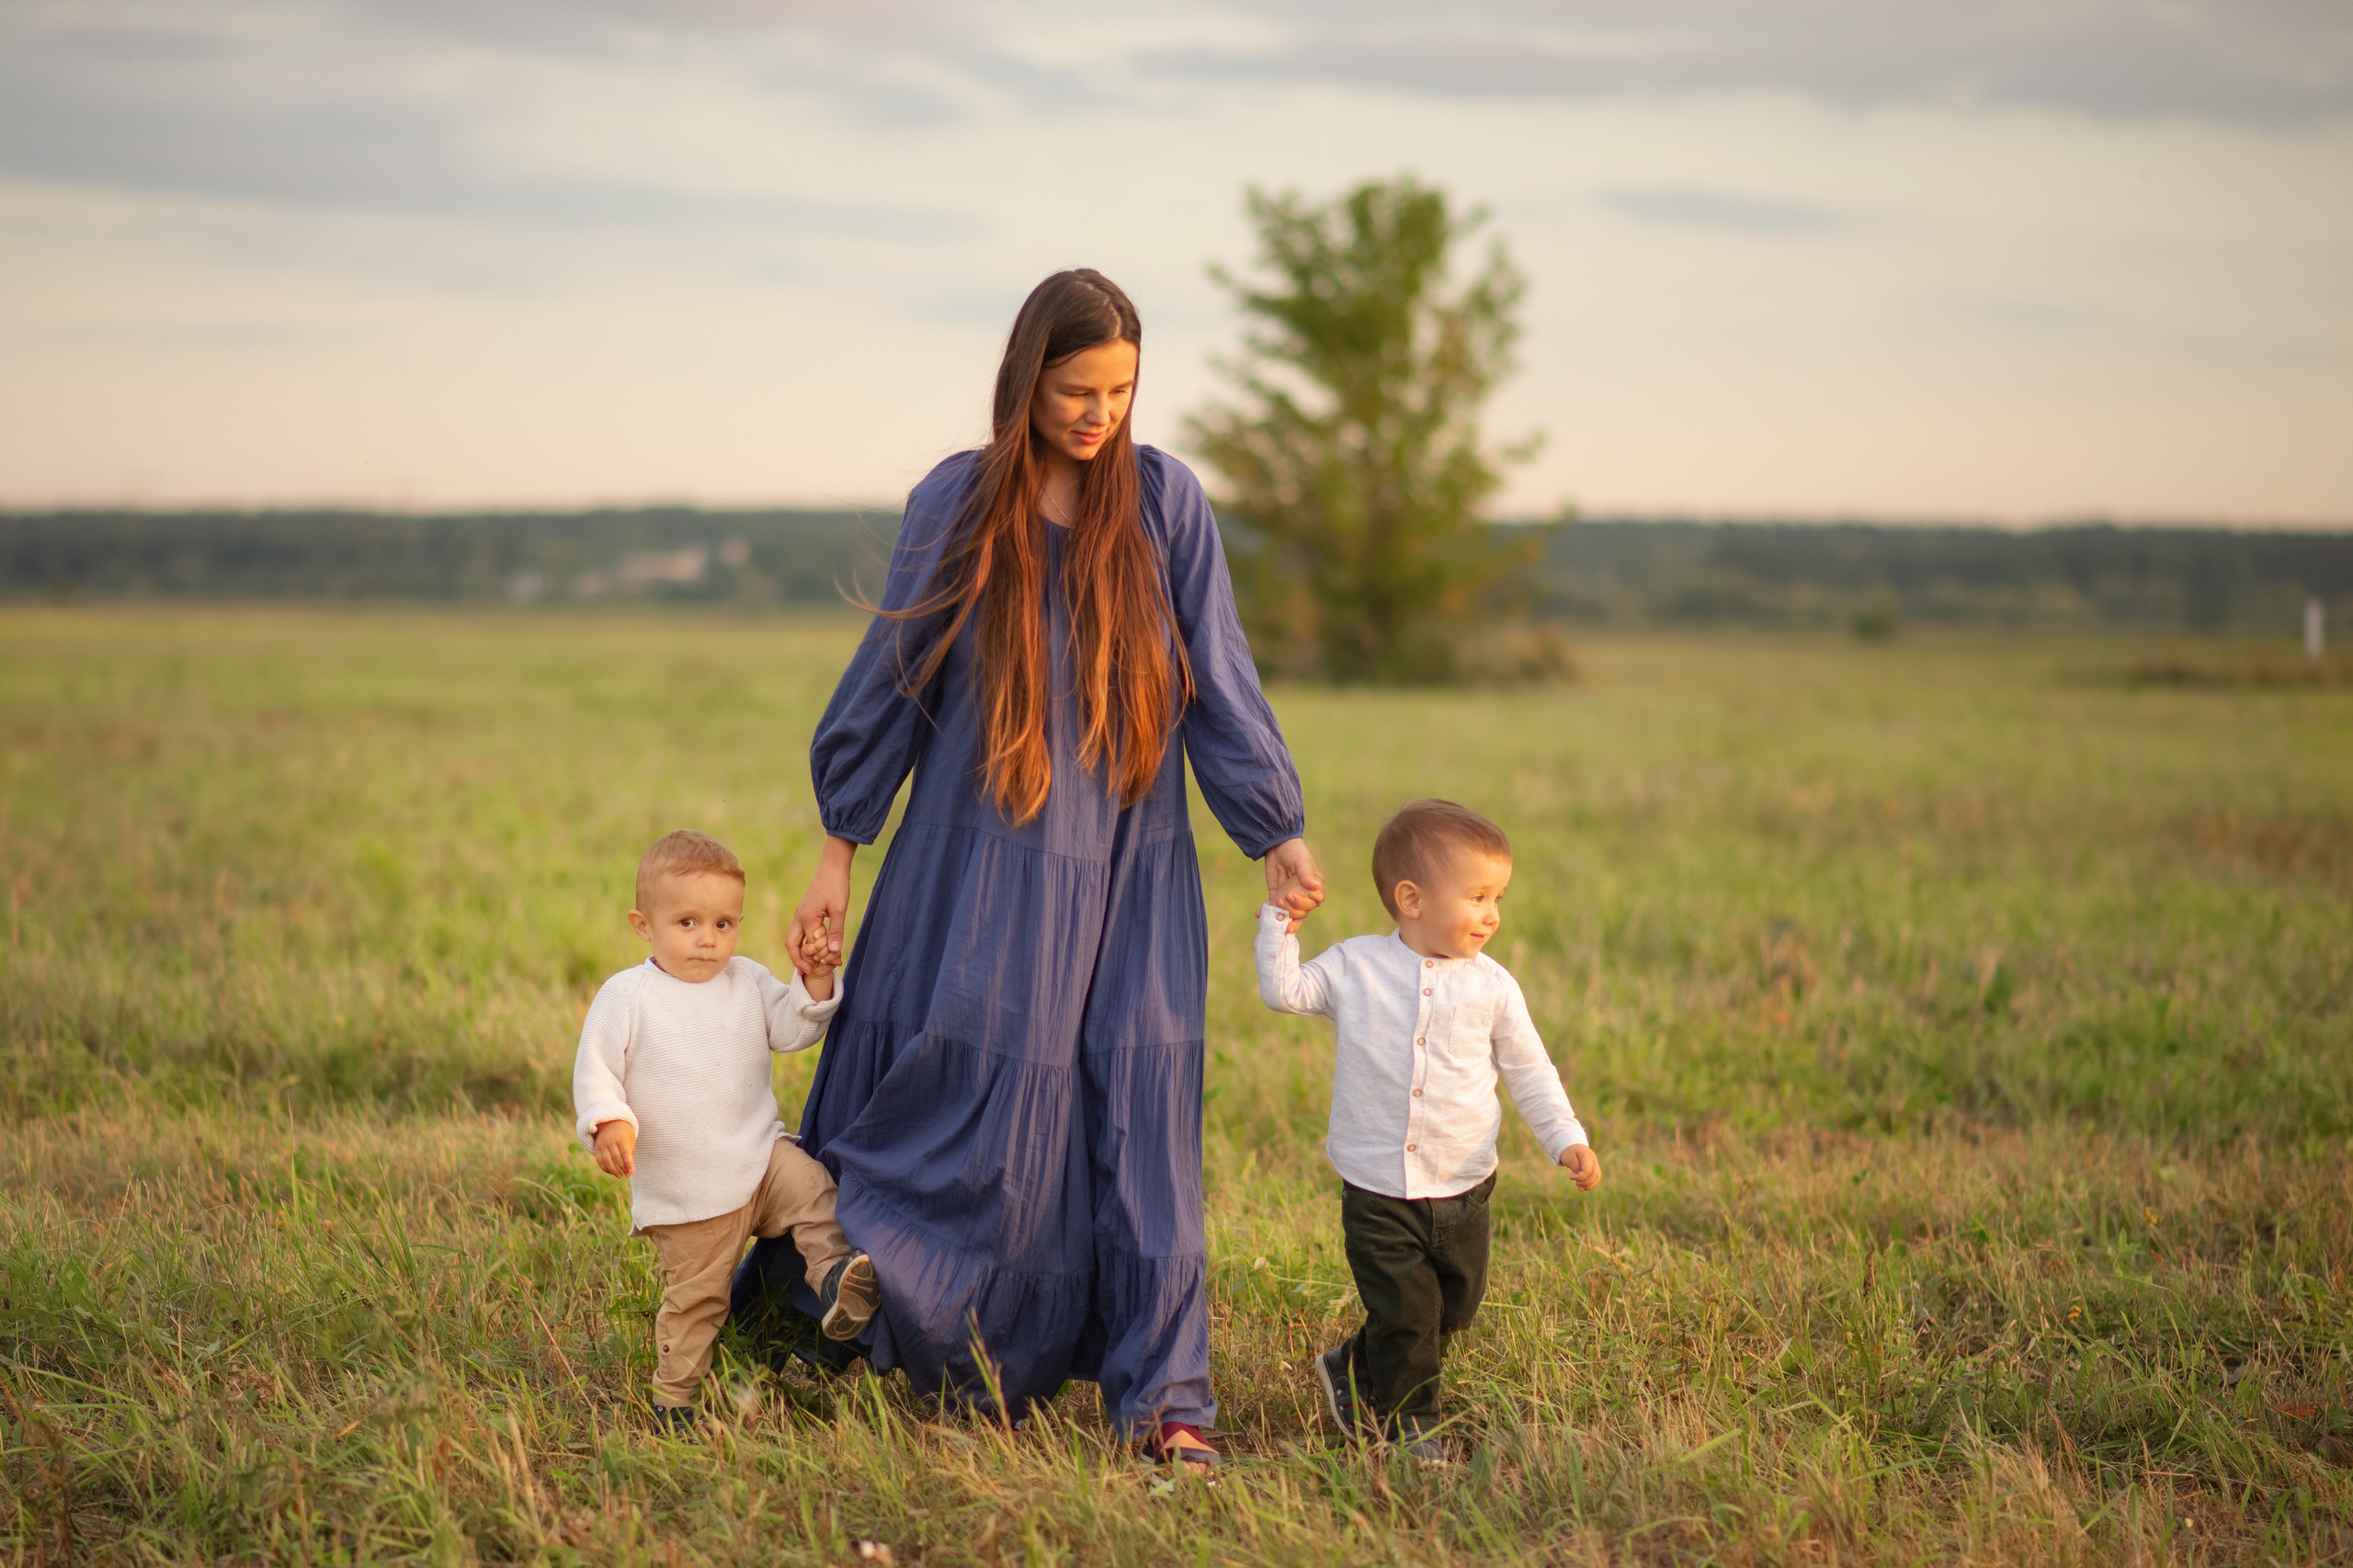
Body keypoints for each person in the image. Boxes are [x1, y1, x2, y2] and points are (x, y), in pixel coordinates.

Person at [736, 269, 1323, 1468]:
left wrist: (1276, 827)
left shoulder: (1166, 503)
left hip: (1130, 870)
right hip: (972, 861)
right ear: (1025, 380)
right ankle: (861, 1314)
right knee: (948, 1096)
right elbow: (890, 680)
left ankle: (1168, 1400)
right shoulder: (958, 499)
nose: (1099, 413)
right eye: (1075, 390)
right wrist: (837, 852)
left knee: (1141, 1121)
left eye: (1121, 390)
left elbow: (1218, 674)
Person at [1255, 799, 1602, 1460]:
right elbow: (1285, 992)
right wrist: (1280, 925)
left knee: (1454, 1309)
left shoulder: (1494, 988)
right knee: (1408, 1315)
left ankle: (1353, 1365)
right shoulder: (1356, 967)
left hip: (1465, 1184)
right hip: (1379, 1188)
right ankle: (1413, 1426)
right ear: (1411, 899)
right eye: (1477, 897)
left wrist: (1566, 1138)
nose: (1493, 915)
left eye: (1498, 898)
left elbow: (1530, 1069)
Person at [573, 829, 883, 1431]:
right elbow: (597, 1071)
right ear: (643, 925)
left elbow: (794, 1028)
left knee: (814, 1188)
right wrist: (608, 1121)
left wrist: (815, 981)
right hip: (691, 1196)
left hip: (758, 1159)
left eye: (723, 924)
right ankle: (675, 1400)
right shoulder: (628, 996)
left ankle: (834, 1279)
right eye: (687, 923)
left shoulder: (746, 980)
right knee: (699, 1302)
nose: (707, 939)